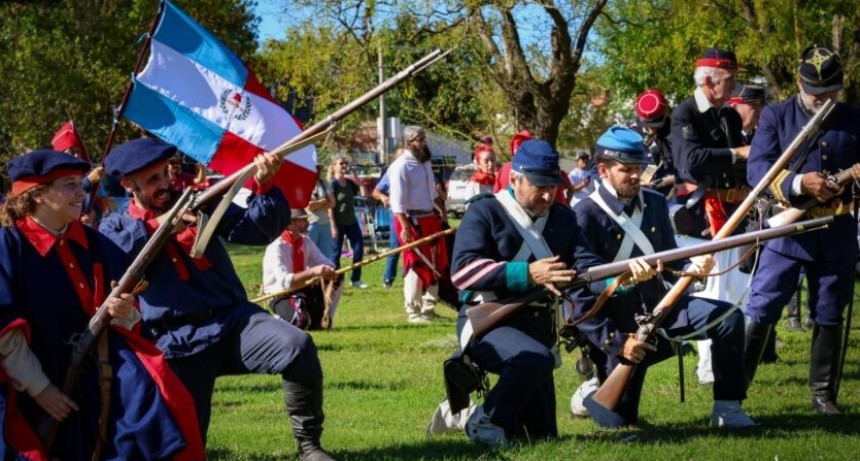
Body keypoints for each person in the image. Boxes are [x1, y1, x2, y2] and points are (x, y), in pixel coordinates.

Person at [99, 138, 336, 461]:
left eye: (165, 174)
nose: (164, 184)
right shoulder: (116, 225)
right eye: (152, 180)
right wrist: (163, 225)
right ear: (128, 185)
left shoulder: (197, 202)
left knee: (297, 346)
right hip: (174, 342)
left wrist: (264, 186)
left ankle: (310, 447)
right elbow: (119, 254)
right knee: (188, 445)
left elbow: (255, 231)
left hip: (234, 322)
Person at [0, 150, 203, 459]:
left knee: (162, 405)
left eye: (80, 183)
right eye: (69, 185)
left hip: (97, 375)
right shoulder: (8, 246)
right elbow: (5, 330)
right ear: (37, 194)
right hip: (28, 385)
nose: (81, 192)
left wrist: (125, 313)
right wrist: (40, 388)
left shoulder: (95, 243)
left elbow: (128, 313)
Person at [568, 126, 754, 429]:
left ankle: (727, 408)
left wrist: (694, 267)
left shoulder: (653, 203)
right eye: (626, 169)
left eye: (639, 169)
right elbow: (583, 282)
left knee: (728, 318)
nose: (635, 176)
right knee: (619, 421)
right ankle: (593, 385)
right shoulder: (584, 214)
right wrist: (622, 284)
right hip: (621, 325)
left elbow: (671, 257)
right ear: (602, 170)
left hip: (662, 307)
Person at [450, 139, 601, 448]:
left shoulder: (563, 218)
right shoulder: (485, 211)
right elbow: (462, 272)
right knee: (535, 360)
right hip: (487, 323)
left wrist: (622, 277)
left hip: (536, 329)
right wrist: (527, 273)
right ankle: (485, 420)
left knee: (541, 438)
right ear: (516, 179)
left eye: (553, 186)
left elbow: (588, 265)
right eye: (539, 186)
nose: (548, 195)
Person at [742, 45, 860, 416]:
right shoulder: (776, 117)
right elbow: (757, 171)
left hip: (837, 229)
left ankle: (823, 395)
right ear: (798, 83)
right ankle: (733, 392)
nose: (824, 100)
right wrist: (798, 184)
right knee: (762, 308)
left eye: (831, 93)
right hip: (786, 233)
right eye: (816, 94)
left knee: (829, 312)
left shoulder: (853, 119)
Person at [671, 48, 752, 386]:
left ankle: (729, 363)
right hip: (701, 218)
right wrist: (735, 154)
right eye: (729, 79)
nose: (734, 86)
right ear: (708, 80)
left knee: (736, 289)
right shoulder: (684, 114)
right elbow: (691, 161)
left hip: (734, 211)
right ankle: (707, 368)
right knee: (710, 293)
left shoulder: (730, 118)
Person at [389, 126, 449, 324]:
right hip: (410, 220)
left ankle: (428, 307)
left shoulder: (425, 163)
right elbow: (397, 202)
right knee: (416, 263)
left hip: (430, 217)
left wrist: (441, 210)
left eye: (424, 138)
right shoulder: (400, 166)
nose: (423, 143)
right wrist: (405, 226)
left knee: (436, 262)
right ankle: (413, 310)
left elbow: (431, 193)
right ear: (408, 142)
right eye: (418, 139)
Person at [263, 209, 343, 330]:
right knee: (300, 321)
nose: (308, 223)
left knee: (337, 275)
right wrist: (313, 271)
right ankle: (275, 320)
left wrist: (328, 270)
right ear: (290, 224)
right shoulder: (277, 247)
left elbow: (326, 263)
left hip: (301, 289)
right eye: (303, 220)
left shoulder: (305, 241)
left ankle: (326, 317)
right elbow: (286, 282)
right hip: (280, 294)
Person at [328, 154, 368, 289]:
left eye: (345, 163)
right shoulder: (332, 184)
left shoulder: (350, 183)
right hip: (338, 223)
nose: (344, 165)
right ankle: (335, 281)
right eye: (341, 163)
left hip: (351, 222)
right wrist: (333, 226)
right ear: (334, 166)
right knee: (336, 253)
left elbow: (364, 194)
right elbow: (330, 207)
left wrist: (357, 178)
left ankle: (355, 279)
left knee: (358, 249)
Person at [634, 89, 675, 197]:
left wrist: (664, 182)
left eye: (656, 124)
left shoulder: (675, 131)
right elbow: (652, 162)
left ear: (665, 113)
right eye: (648, 125)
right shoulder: (635, 133)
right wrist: (644, 180)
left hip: (674, 189)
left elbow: (686, 168)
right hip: (645, 191)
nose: (651, 129)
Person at [306, 164, 336, 259]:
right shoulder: (303, 183)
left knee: (325, 255)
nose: (315, 170)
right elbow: (307, 206)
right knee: (308, 254)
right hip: (310, 223)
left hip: (325, 223)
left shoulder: (323, 183)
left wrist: (316, 205)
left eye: (317, 168)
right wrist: (323, 201)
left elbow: (332, 203)